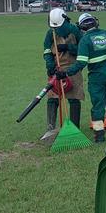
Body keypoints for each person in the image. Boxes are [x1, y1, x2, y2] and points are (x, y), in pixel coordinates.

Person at [60, 15, 106, 142]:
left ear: (82, 27)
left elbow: (81, 63)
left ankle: (99, 136)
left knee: (98, 106)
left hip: (97, 79)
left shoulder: (85, 40)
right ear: (96, 23)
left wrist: (66, 73)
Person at [42, 8, 84, 140]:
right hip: (56, 67)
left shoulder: (76, 31)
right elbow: (47, 50)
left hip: (73, 67)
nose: (57, 30)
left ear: (65, 20)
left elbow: (84, 49)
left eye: (59, 27)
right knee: (53, 97)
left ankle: (74, 129)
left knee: (74, 97)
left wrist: (68, 47)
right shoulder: (50, 33)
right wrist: (50, 65)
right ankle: (50, 128)